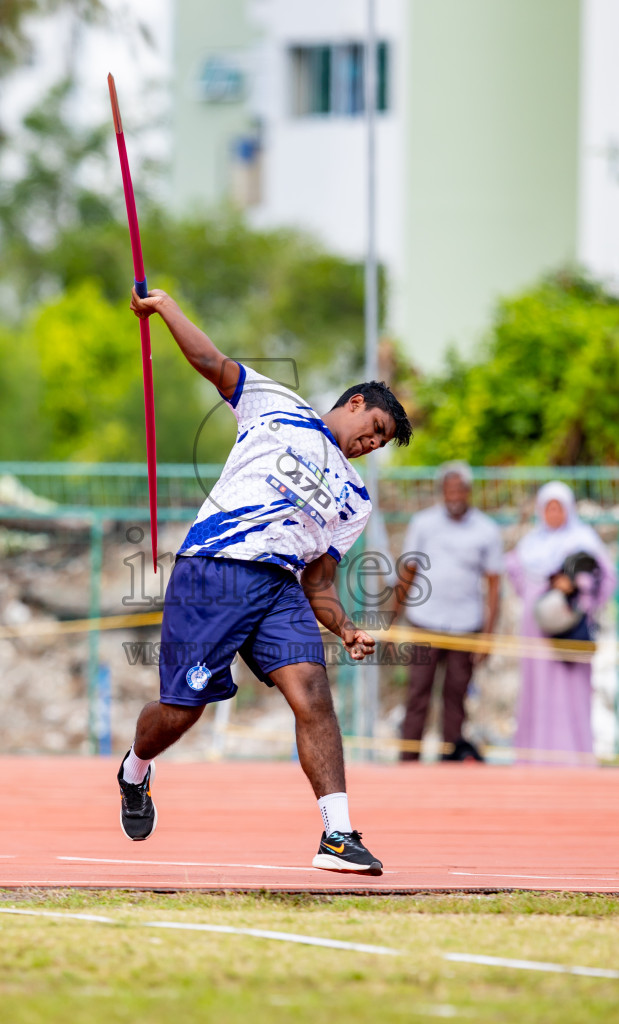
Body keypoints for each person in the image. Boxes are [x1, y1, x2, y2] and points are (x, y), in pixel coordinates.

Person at [117, 285, 413, 875]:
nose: (371, 443)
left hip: (279, 588)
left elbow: (319, 581)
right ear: (354, 402)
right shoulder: (276, 405)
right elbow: (211, 363)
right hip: (215, 574)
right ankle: (134, 768)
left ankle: (338, 835)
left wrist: (348, 627)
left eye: (380, 443)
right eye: (374, 427)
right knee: (182, 710)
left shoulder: (355, 499)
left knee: (314, 696)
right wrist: (168, 306)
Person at [392, 462, 503, 761]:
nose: (454, 496)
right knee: (417, 694)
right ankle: (408, 763)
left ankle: (450, 767)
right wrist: (390, 620)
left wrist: (487, 638)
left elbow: (494, 586)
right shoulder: (423, 524)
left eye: (459, 490)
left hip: (466, 626)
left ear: (468, 492)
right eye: (448, 490)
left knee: (456, 697)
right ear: (442, 492)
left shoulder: (487, 530)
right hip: (424, 621)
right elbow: (407, 572)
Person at [506, 481, 616, 766]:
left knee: (571, 692)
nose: (554, 513)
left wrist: (581, 603)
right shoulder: (530, 544)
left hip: (570, 632)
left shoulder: (583, 540)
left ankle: (573, 757)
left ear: (568, 509)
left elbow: (606, 578)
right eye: (549, 508)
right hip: (535, 632)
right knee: (537, 691)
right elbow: (516, 575)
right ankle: (534, 757)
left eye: (559, 507)